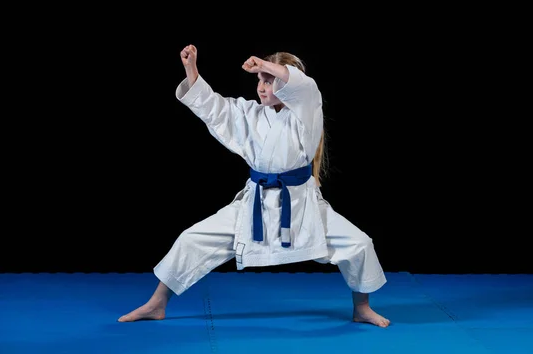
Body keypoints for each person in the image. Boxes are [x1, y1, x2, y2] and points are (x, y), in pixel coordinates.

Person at [118, 44, 390, 328]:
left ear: (287, 85)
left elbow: (304, 86)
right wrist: (191, 69)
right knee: (191, 239)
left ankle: (362, 307)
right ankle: (157, 303)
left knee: (359, 243)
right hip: (256, 203)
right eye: (259, 80)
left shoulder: (306, 110)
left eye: (269, 81)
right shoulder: (250, 113)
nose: (261, 87)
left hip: (300, 206)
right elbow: (214, 107)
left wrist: (265, 64)